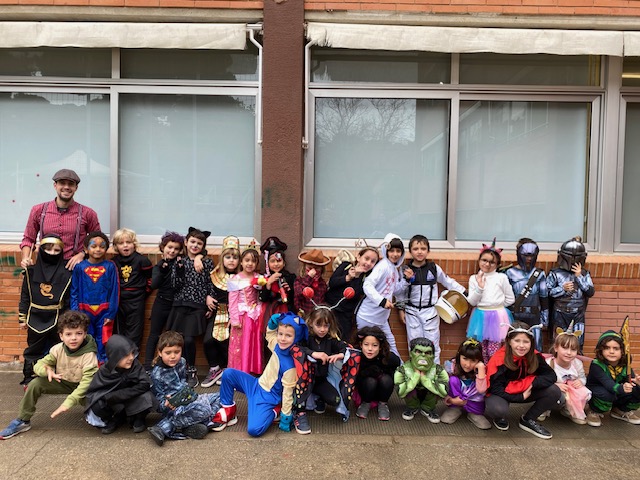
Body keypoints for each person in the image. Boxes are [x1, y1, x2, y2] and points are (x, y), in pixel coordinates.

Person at [0, 311, 98, 439]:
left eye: (78, 333)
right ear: (61, 336)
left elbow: (86, 383)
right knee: (35, 384)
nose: (73, 338)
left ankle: (103, 415)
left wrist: (68, 403)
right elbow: (39, 365)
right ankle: (23, 420)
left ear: (85, 334)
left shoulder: (89, 355)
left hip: (85, 388)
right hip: (63, 382)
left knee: (100, 420)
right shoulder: (57, 349)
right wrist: (47, 371)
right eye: (68, 334)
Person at [211, 312, 308, 437]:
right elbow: (270, 334)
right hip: (256, 384)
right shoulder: (278, 346)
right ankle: (228, 409)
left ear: (296, 338)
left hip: (267, 398)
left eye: (288, 336)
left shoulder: (291, 367)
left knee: (254, 430)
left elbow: (287, 392)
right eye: (280, 334)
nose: (283, 339)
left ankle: (275, 410)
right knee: (228, 374)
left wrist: (286, 415)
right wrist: (272, 322)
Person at [485, 322, 562, 439]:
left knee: (554, 391)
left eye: (526, 342)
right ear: (509, 341)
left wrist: (532, 384)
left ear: (531, 343)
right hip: (503, 393)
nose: (521, 346)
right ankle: (499, 418)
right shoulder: (499, 360)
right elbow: (495, 388)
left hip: (527, 390)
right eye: (517, 341)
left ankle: (528, 419)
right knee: (498, 409)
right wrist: (520, 397)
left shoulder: (535, 356)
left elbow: (551, 375)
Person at [396, 234, 465, 364]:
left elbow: (448, 281)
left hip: (430, 312)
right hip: (412, 312)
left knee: (433, 344)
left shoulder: (434, 268)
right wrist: (400, 309)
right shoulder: (406, 270)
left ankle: (434, 372)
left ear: (428, 251)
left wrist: (463, 292)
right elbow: (400, 293)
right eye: (415, 249)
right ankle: (416, 372)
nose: (419, 252)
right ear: (410, 251)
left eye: (423, 248)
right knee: (414, 344)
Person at [147, 331, 222, 446]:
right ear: (160, 353)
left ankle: (186, 427)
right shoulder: (157, 374)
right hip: (174, 409)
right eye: (168, 353)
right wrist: (166, 403)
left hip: (189, 399)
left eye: (177, 352)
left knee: (221, 397)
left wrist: (189, 394)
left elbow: (184, 382)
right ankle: (163, 427)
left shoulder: (182, 362)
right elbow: (158, 404)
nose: (173, 356)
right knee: (204, 410)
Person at [18, 234, 72, 387]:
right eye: (48, 249)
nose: (52, 253)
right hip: (35, 317)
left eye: (56, 250)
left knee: (58, 348)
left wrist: (66, 321)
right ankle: (29, 378)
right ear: (41, 250)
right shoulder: (30, 272)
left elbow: (67, 300)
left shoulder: (67, 273)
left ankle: (57, 378)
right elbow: (25, 296)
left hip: (57, 316)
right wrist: (22, 318)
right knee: (33, 349)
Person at [20, 169, 101, 271]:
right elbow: (28, 239)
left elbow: (98, 241)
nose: (66, 187)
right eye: (62, 183)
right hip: (45, 267)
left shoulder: (88, 213)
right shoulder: (38, 210)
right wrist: (26, 258)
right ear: (55, 185)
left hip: (74, 267)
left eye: (70, 184)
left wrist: (83, 254)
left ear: (76, 188)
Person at [165, 227, 216, 387]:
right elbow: (174, 284)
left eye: (199, 243)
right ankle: (180, 369)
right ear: (186, 242)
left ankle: (191, 369)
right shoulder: (179, 261)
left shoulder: (207, 262)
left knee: (188, 339)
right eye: (192, 242)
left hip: (197, 305)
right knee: (177, 339)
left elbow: (210, 282)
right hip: (180, 304)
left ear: (203, 246)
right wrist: (179, 269)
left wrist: (209, 298)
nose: (195, 245)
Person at [292, 308, 348, 434]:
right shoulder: (305, 337)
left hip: (320, 380)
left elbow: (345, 347)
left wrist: (340, 355)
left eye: (326, 325)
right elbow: (296, 348)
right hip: (303, 381)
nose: (322, 329)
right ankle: (299, 413)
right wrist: (313, 353)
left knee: (335, 400)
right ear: (311, 323)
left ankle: (318, 397)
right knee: (299, 397)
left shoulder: (330, 339)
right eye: (318, 325)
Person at [84, 335, 154, 434]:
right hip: (114, 403)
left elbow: (145, 384)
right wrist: (109, 397)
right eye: (125, 355)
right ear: (114, 356)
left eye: (132, 353)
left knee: (147, 397)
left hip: (132, 397)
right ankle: (116, 418)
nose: (131, 358)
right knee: (97, 403)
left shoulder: (135, 365)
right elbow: (95, 391)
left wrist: (120, 394)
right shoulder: (105, 371)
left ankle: (139, 418)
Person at [70, 231, 119, 364]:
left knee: (103, 338)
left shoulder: (110, 266)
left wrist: (111, 312)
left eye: (102, 246)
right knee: (86, 336)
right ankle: (87, 363)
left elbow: (114, 290)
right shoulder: (80, 267)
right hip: (84, 310)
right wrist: (75, 311)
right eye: (93, 246)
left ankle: (102, 365)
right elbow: (74, 290)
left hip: (104, 310)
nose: (98, 249)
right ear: (86, 249)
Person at [355, 233, 406, 357]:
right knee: (364, 348)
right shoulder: (382, 266)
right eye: (391, 251)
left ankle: (399, 368)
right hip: (367, 317)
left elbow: (394, 290)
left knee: (391, 345)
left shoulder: (393, 269)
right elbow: (367, 285)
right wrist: (382, 301)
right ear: (386, 251)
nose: (395, 254)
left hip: (381, 319)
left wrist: (407, 280)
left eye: (398, 251)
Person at [466, 238, 515, 364]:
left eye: (492, 262)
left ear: (497, 264)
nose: (487, 264)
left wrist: (497, 306)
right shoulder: (474, 278)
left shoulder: (501, 278)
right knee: (480, 350)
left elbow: (510, 298)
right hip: (480, 317)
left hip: (497, 318)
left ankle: (493, 371)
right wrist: (480, 288)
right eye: (484, 260)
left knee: (494, 350)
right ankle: (482, 372)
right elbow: (472, 302)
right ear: (479, 260)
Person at [201, 235, 240, 388]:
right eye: (228, 257)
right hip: (217, 312)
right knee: (208, 340)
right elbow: (207, 290)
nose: (231, 260)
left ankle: (226, 369)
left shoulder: (241, 277)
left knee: (228, 343)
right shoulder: (214, 275)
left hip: (233, 315)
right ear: (222, 258)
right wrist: (207, 298)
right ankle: (214, 368)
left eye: (235, 257)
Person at [143, 231, 184, 370]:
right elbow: (154, 284)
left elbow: (181, 284)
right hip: (161, 302)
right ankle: (148, 367)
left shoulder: (180, 264)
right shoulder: (159, 265)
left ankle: (172, 367)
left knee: (174, 336)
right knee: (154, 334)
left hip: (176, 304)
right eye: (169, 247)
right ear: (163, 247)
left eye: (176, 248)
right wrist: (162, 271)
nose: (172, 251)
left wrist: (180, 269)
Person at [547, 236, 595, 352]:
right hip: (560, 312)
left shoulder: (584, 274)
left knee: (578, 343)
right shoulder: (555, 273)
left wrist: (579, 277)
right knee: (558, 342)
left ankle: (577, 363)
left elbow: (590, 292)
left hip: (578, 314)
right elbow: (548, 292)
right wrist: (562, 289)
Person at [585, 328, 640, 427]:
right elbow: (607, 383)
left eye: (616, 348)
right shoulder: (596, 364)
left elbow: (630, 380)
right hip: (599, 390)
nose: (611, 351)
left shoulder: (625, 365)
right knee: (607, 394)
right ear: (601, 350)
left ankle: (620, 410)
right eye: (607, 348)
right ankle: (594, 411)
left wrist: (637, 383)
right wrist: (622, 388)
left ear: (622, 351)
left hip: (617, 390)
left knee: (637, 391)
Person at [326, 245, 379, 342]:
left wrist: (357, 276)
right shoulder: (345, 266)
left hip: (345, 314)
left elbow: (355, 294)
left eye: (372, 261)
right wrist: (348, 277)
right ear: (358, 257)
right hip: (329, 308)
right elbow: (332, 282)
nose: (368, 263)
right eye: (366, 259)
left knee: (342, 340)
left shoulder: (367, 278)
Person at [505, 238, 549, 353]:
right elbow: (505, 298)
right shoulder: (509, 273)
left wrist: (545, 319)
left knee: (536, 349)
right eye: (526, 255)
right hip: (515, 316)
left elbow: (544, 298)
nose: (529, 259)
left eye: (532, 255)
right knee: (515, 349)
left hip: (534, 317)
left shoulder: (539, 274)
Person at [543, 323, 591, 425]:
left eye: (573, 349)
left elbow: (583, 377)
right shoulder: (549, 363)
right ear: (556, 348)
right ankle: (543, 408)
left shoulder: (577, 363)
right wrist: (555, 385)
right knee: (555, 394)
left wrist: (581, 381)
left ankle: (569, 411)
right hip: (553, 391)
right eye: (564, 348)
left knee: (584, 393)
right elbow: (541, 381)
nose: (569, 352)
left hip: (570, 391)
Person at [112, 228, 152, 349]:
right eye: (121, 243)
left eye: (128, 242)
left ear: (134, 244)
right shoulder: (113, 262)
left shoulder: (142, 260)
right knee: (120, 331)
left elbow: (150, 280)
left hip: (136, 302)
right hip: (119, 302)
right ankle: (120, 358)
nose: (125, 245)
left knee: (135, 333)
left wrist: (142, 293)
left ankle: (133, 358)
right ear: (116, 246)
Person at [228, 244, 264, 375]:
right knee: (241, 343)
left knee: (254, 342)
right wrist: (234, 319)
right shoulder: (235, 279)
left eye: (253, 261)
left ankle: (253, 368)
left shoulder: (259, 278)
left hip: (256, 315)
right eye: (247, 260)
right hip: (242, 315)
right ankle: (240, 370)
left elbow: (260, 296)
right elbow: (232, 301)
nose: (250, 263)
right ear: (241, 262)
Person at [395, 337, 449, 423]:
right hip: (413, 395)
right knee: (409, 389)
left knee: (436, 389)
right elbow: (400, 392)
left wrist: (425, 379)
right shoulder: (402, 369)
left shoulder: (438, 370)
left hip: (429, 396)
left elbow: (444, 391)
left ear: (433, 356)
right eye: (418, 352)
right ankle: (412, 407)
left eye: (428, 353)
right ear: (411, 354)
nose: (423, 355)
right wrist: (415, 376)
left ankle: (427, 409)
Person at [441, 338, 491, 429]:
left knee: (484, 425)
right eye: (465, 358)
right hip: (456, 399)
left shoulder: (482, 369)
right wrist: (451, 400)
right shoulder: (451, 367)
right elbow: (444, 387)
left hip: (474, 401)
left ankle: (474, 414)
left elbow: (481, 390)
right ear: (458, 355)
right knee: (453, 380)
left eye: (473, 360)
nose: (468, 365)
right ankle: (455, 408)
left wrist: (480, 369)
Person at [353, 326, 401, 421]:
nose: (370, 349)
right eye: (366, 344)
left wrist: (381, 369)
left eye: (375, 345)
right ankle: (365, 403)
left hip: (382, 390)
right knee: (370, 381)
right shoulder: (357, 357)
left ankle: (383, 404)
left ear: (380, 347)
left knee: (386, 379)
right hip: (365, 390)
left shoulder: (387, 357)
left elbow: (396, 362)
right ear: (361, 344)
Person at [259, 236, 296, 318]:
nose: (276, 264)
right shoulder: (263, 278)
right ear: (267, 263)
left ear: (284, 262)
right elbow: (263, 299)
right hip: (270, 313)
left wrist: (289, 290)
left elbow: (294, 299)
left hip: (286, 312)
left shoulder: (290, 277)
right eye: (272, 261)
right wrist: (268, 283)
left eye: (279, 261)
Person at [294, 249, 330, 316]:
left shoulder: (322, 283)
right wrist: (309, 278)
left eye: (316, 268)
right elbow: (299, 294)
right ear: (304, 267)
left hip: (316, 315)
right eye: (310, 268)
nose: (313, 271)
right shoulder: (299, 280)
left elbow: (322, 301)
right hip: (303, 315)